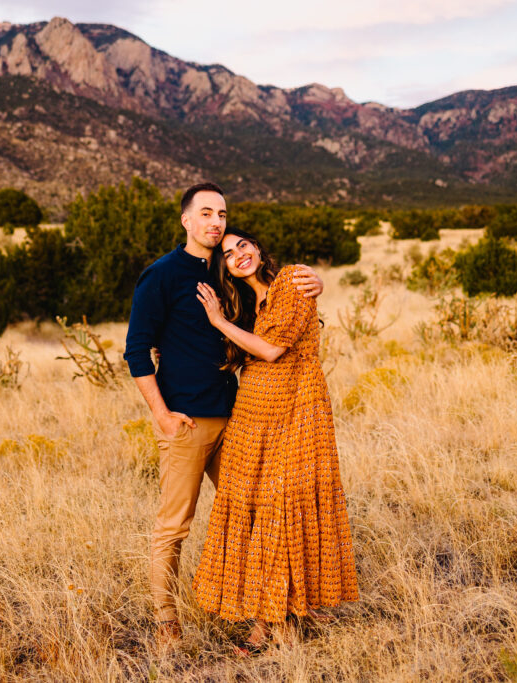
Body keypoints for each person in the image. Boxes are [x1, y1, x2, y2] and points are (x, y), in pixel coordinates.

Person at [123, 183, 325, 647]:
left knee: (254, 516)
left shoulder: (224, 271)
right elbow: (136, 350)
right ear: (187, 221)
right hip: (188, 421)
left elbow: (274, 303)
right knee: (175, 525)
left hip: (238, 416)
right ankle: (166, 625)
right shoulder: (161, 275)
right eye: (207, 214)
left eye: (224, 215)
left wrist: (314, 282)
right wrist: (162, 415)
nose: (217, 223)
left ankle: (268, 618)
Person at [192, 226, 358, 652]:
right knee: (260, 511)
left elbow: (270, 351)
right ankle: (284, 607)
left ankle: (271, 627)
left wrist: (217, 321)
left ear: (259, 249)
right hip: (253, 415)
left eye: (243, 245)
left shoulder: (291, 283)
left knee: (285, 508)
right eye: (228, 254)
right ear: (225, 268)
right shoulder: (246, 303)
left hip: (297, 411)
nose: (238, 254)